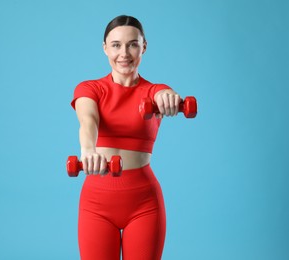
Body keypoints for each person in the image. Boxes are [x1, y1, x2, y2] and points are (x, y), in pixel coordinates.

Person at [71, 15, 182, 260]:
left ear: (144, 46)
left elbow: (165, 92)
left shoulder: (154, 92)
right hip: (97, 203)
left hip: (143, 202)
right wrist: (87, 150)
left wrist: (169, 96)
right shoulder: (90, 89)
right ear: (105, 48)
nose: (124, 53)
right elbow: (88, 120)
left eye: (132, 44)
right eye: (116, 45)